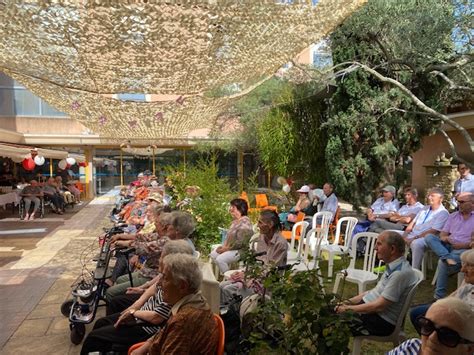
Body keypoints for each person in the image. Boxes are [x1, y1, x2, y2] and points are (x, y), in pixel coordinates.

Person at [80, 240, 193, 355]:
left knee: (93, 338)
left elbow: (157, 320)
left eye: (162, 258)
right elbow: (154, 286)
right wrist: (137, 301)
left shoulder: (176, 294)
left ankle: (111, 346)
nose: (159, 261)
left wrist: (133, 312)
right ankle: (110, 348)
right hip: (142, 315)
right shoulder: (170, 280)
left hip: (145, 326)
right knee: (102, 322)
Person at [131, 254, 219, 355]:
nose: (159, 284)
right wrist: (146, 346)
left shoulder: (182, 321)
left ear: (182, 286)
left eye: (165, 278)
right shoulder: (196, 301)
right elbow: (163, 332)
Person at [335, 231, 418, 336]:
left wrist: (347, 309)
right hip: (370, 311)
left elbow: (379, 306)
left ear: (392, 249)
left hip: (380, 321)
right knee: (330, 309)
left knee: (330, 319)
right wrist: (346, 302)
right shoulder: (393, 266)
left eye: (379, 244)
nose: (375, 248)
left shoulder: (399, 273)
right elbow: (371, 292)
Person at [220, 210, 289, 304]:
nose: (257, 225)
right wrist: (243, 272)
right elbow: (256, 261)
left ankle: (235, 314)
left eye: (260, 222)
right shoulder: (262, 237)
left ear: (270, 224)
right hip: (254, 276)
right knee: (221, 286)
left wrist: (247, 276)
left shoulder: (280, 243)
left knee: (227, 289)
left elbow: (271, 269)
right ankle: (226, 313)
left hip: (266, 283)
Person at [409, 248, 474, 333]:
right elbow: (454, 295)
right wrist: (439, 305)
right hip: (453, 311)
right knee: (416, 313)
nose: (462, 270)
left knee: (421, 315)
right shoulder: (468, 285)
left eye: (469, 265)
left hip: (461, 325)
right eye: (464, 264)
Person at [425, 192, 474, 299]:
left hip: (464, 250)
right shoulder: (453, 216)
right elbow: (442, 235)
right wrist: (447, 239)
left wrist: (463, 245)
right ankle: (447, 257)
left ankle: (438, 297)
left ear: (472, 203)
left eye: (461, 202)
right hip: (448, 246)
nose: (458, 204)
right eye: (458, 201)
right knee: (429, 237)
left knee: (442, 263)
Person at [389, 298, 474, 355]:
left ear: (469, 349)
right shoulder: (410, 346)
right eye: (427, 326)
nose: (432, 338)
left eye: (447, 335)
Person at [402, 187, 449, 270]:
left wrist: (413, 238)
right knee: (391, 234)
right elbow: (412, 223)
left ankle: (414, 270)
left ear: (441, 199)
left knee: (416, 243)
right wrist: (404, 235)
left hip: (426, 238)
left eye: (432, 196)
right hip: (412, 234)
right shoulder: (424, 208)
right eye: (429, 195)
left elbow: (433, 231)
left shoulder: (443, 213)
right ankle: (392, 264)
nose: (429, 197)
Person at [210, 198, 254, 273]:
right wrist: (223, 247)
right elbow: (229, 238)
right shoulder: (235, 222)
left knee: (220, 259)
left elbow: (241, 243)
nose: (230, 210)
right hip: (230, 247)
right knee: (213, 254)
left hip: (241, 250)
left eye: (233, 207)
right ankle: (227, 273)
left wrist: (226, 249)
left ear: (240, 209)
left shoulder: (245, 222)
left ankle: (230, 278)